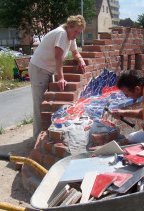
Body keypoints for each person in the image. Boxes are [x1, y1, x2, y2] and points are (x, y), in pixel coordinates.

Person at [28, 15, 87, 145]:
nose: (77, 34)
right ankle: (37, 142)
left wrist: (81, 59)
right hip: (38, 68)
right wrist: (61, 78)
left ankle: (47, 133)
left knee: (48, 102)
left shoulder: (71, 36)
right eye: (75, 31)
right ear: (69, 27)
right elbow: (58, 57)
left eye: (79, 32)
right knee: (40, 104)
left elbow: (75, 52)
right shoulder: (61, 34)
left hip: (47, 70)